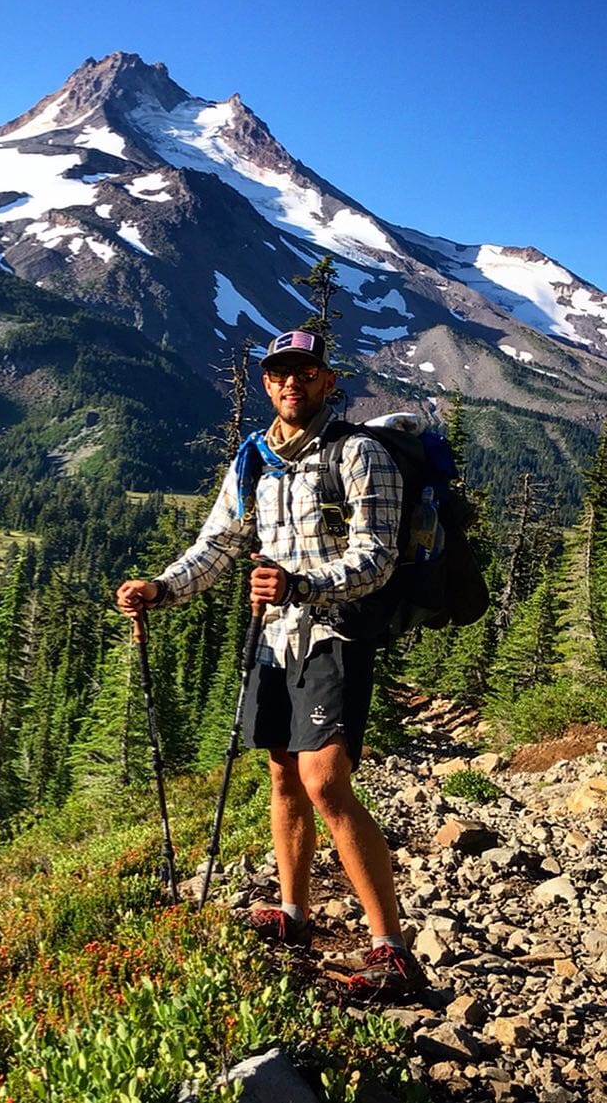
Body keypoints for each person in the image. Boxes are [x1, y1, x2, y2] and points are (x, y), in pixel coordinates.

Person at [116, 328, 428, 1000]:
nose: (292, 383)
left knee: (323, 781)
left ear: (327, 381)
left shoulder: (359, 453)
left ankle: (391, 948)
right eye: (279, 373)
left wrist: (299, 585)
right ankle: (292, 914)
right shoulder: (252, 459)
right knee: (281, 771)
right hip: (272, 639)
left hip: (335, 632)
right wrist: (161, 589)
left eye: (305, 372)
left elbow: (373, 559)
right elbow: (216, 545)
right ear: (266, 383)